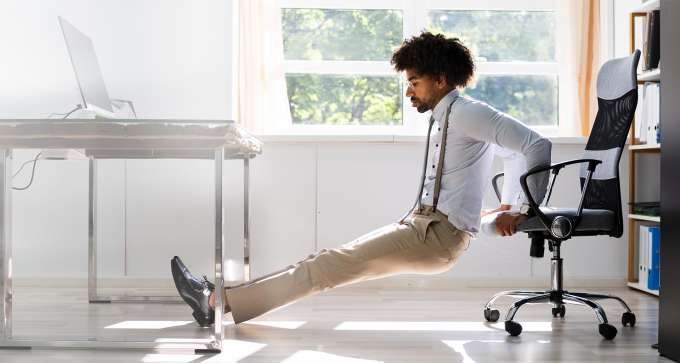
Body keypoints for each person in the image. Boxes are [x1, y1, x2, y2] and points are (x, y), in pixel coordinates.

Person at [171, 32, 552, 327]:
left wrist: (521, 210)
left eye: (415, 81)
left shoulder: (469, 113)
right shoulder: (447, 116)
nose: (409, 91)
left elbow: (535, 144)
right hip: (423, 227)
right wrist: (506, 204)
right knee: (323, 263)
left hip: (436, 237)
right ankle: (220, 300)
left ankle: (214, 303)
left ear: (439, 79)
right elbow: (511, 153)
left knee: (325, 268)